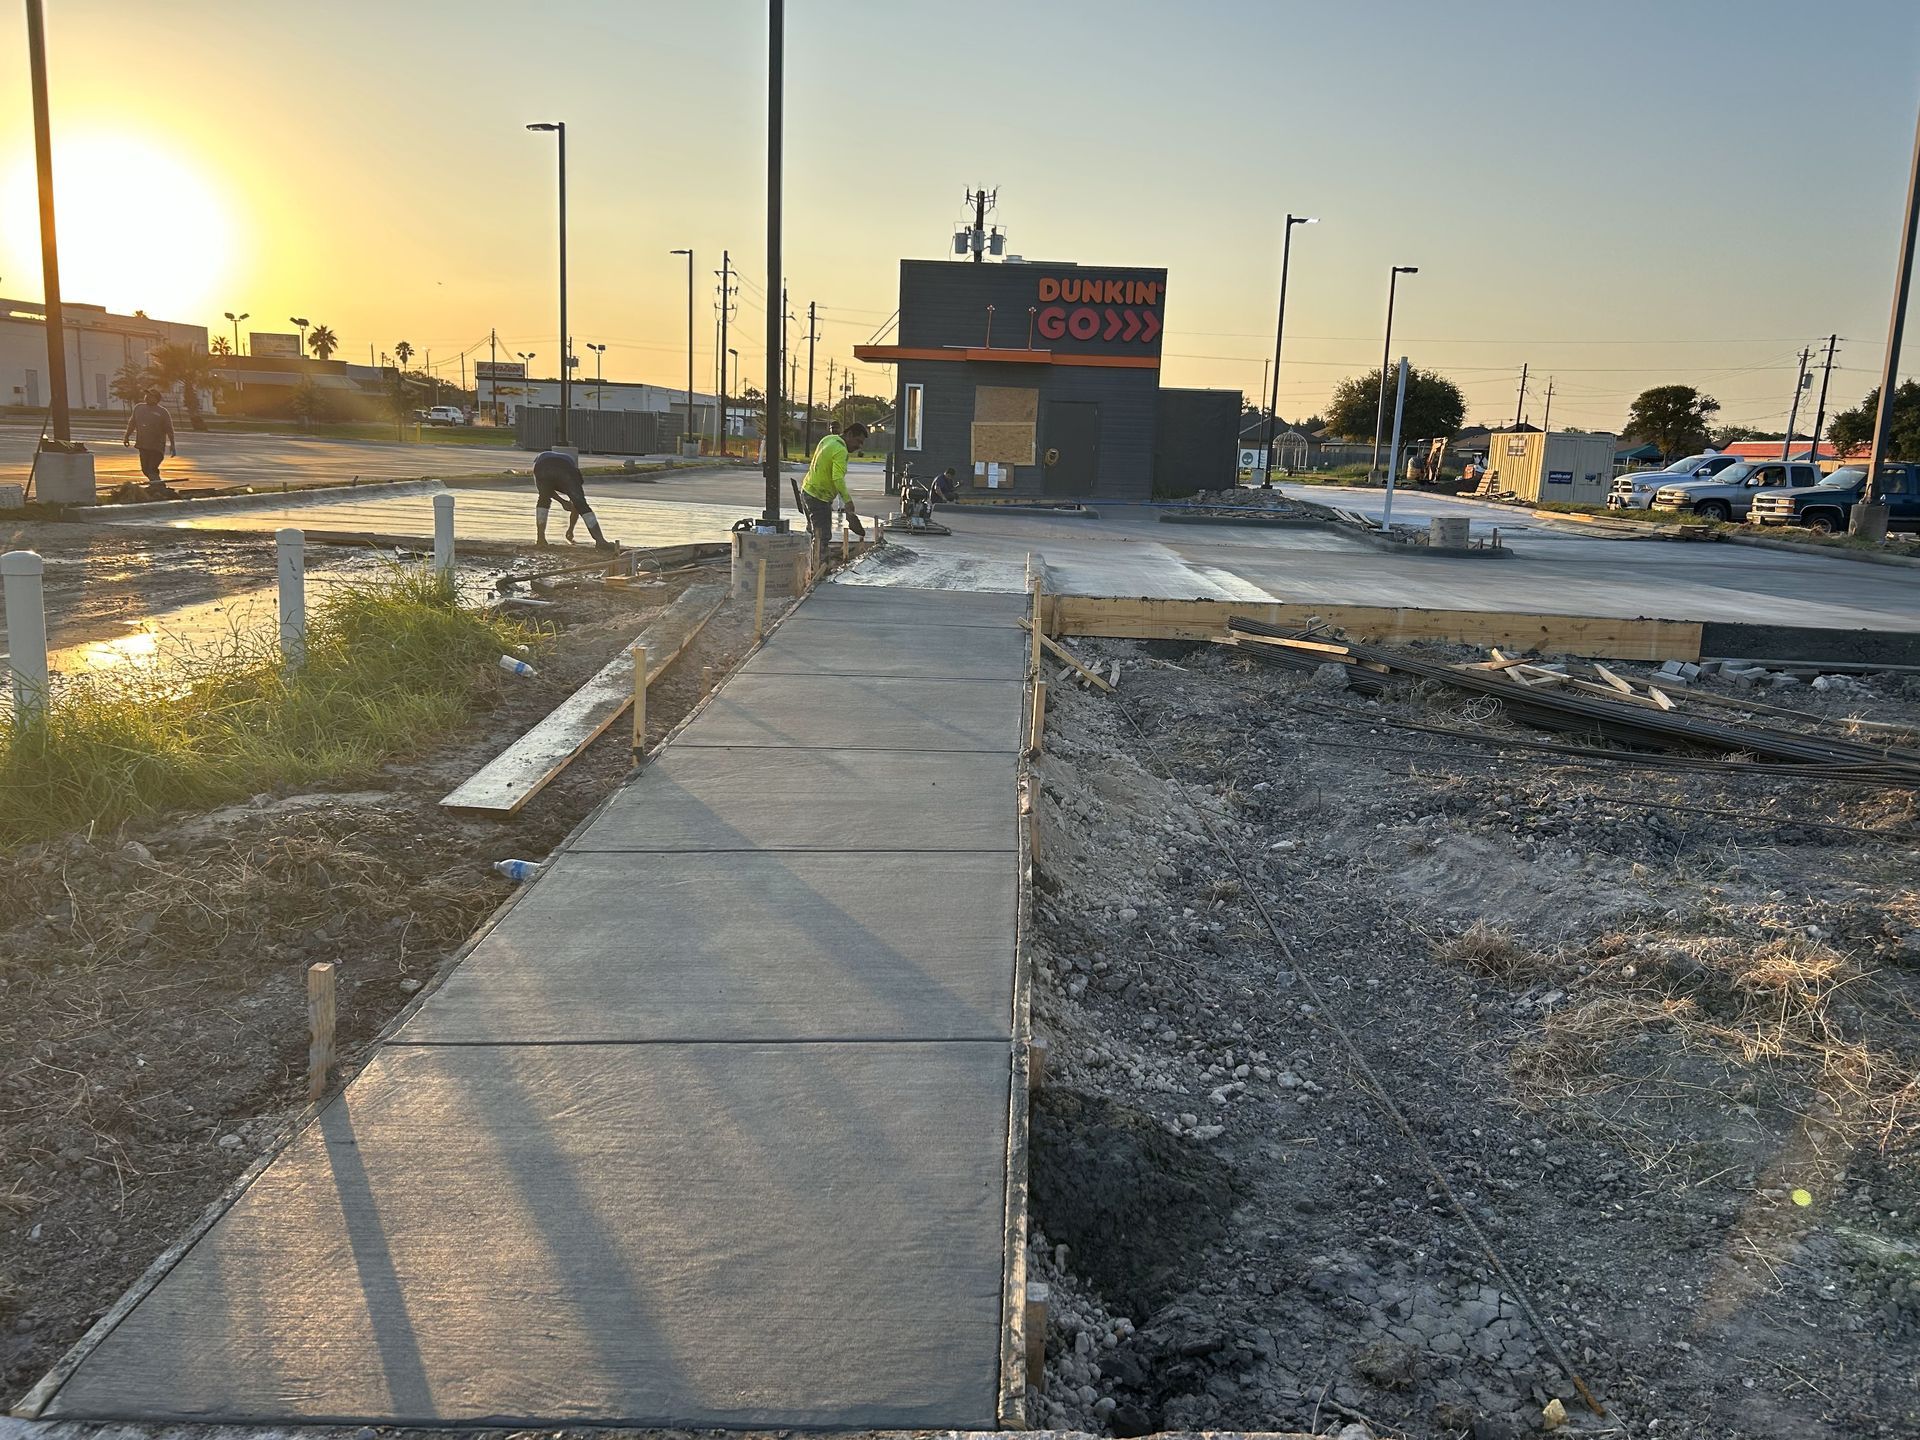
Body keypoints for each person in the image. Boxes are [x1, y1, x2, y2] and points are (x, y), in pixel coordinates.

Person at [799, 421, 866, 567]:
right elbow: (837, 478)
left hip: (807, 491)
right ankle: (819, 569)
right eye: (858, 441)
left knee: (813, 532)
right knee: (822, 536)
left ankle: (808, 563)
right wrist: (848, 501)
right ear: (849, 435)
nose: (859, 446)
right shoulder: (840, 450)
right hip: (819, 497)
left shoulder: (828, 439)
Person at [531, 448, 616, 551]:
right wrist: (570, 529)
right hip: (565, 468)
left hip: (543, 466)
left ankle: (540, 539)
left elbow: (544, 491)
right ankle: (600, 541)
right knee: (582, 504)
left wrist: (562, 502)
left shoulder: (540, 462)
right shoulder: (571, 469)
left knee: (543, 499)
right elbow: (577, 503)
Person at [122, 388, 176, 491]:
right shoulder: (138, 408)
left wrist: (172, 445)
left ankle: (158, 487)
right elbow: (132, 423)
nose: (147, 397)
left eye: (150, 396)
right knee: (145, 469)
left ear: (156, 399)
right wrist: (126, 436)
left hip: (157, 446)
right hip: (143, 445)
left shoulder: (162, 412)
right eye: (146, 395)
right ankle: (158, 486)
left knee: (152, 468)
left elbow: (169, 429)